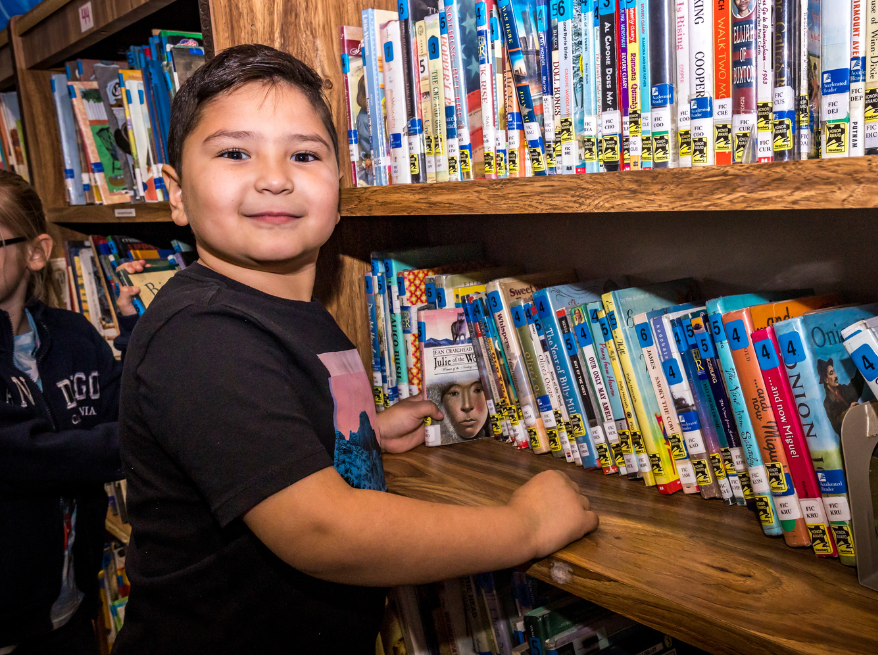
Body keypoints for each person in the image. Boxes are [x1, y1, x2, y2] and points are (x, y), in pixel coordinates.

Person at [115, 44, 598, 653]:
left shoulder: (288, 311)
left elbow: (268, 424)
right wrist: (524, 527)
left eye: (304, 154)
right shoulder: (200, 337)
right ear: (176, 194)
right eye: (235, 152)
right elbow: (325, 529)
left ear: (339, 188)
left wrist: (355, 432)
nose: (274, 175)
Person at [0, 171, 143, 654]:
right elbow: (26, 457)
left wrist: (137, 336)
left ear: (36, 253)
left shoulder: (74, 335)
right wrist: (151, 438)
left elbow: (121, 404)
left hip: (70, 604)